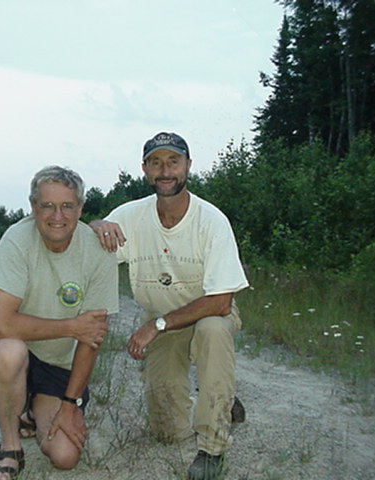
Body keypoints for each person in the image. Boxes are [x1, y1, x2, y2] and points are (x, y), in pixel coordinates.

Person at [90, 132, 249, 480]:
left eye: (173, 161)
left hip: (206, 314)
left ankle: (212, 447)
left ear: (188, 166)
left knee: (213, 331)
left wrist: (156, 326)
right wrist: (95, 225)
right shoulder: (130, 216)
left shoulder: (211, 221)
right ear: (145, 169)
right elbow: (89, 253)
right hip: (160, 320)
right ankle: (218, 400)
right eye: (157, 162)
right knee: (168, 432)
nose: (166, 171)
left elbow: (221, 301)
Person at [0, 165, 119, 480]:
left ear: (81, 209)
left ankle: (29, 410)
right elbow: (2, 325)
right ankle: (10, 446)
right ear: (33, 207)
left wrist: (70, 404)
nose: (58, 215)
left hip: (60, 366)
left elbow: (91, 337)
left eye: (67, 206)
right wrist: (71, 326)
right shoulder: (16, 238)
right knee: (8, 352)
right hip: (20, 350)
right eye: (47, 206)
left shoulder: (99, 249)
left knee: (65, 457)